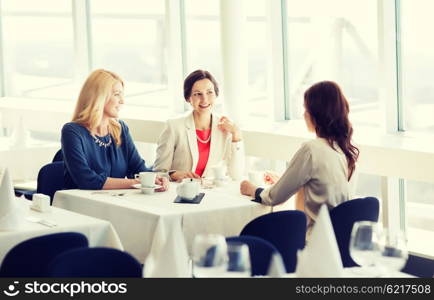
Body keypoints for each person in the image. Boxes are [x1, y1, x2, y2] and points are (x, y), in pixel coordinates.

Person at [240, 81, 359, 234]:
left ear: (317, 114)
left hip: (316, 240)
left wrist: (252, 189)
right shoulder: (347, 150)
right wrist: (285, 183)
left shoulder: (312, 150)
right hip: (341, 239)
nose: (304, 114)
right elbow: (327, 191)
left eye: (306, 109)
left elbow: (274, 198)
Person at [61, 69, 168, 190]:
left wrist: (156, 179)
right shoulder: (72, 131)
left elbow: (139, 168)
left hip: (114, 201)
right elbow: (87, 180)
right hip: (80, 203)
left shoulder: (120, 128)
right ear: (99, 97)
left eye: (122, 95)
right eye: (117, 94)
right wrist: (135, 182)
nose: (122, 101)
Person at [153, 69, 245, 181]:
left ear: (216, 94)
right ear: (188, 98)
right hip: (180, 193)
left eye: (209, 92)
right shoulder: (174, 126)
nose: (204, 99)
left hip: (212, 193)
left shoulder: (226, 128)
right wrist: (173, 175)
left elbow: (236, 175)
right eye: (197, 94)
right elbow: (158, 173)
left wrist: (236, 135)